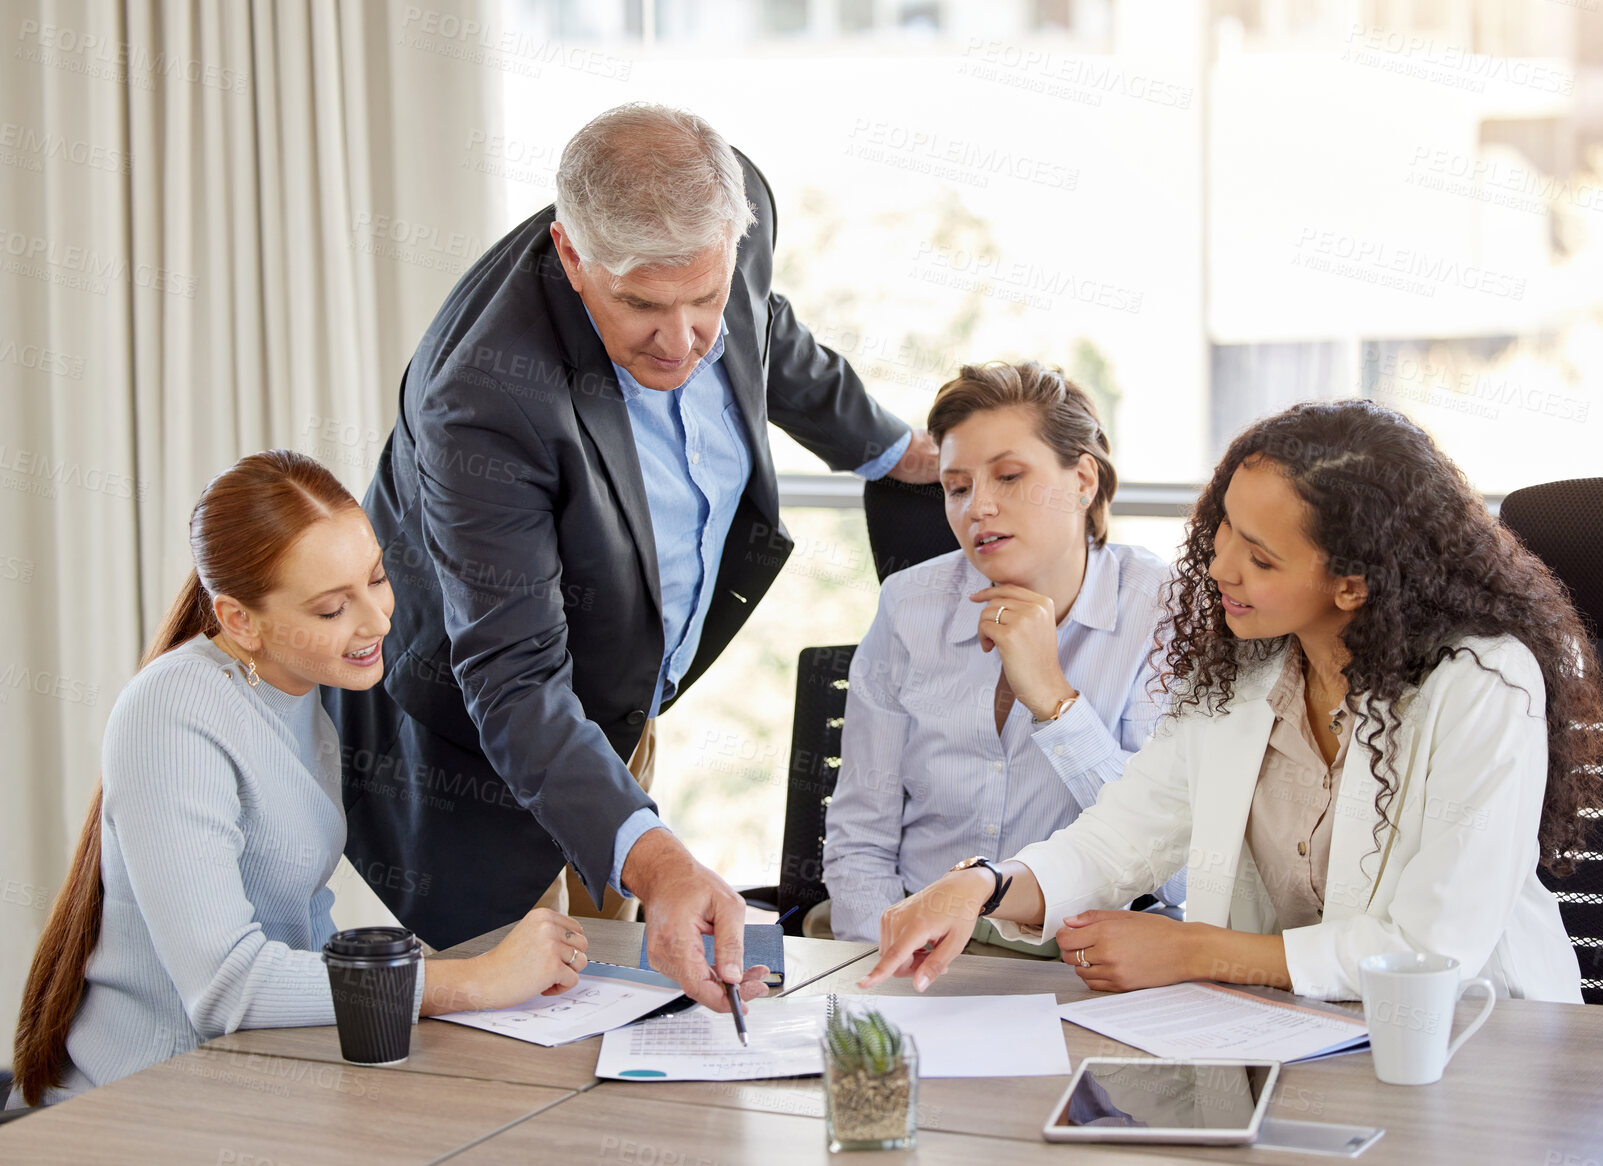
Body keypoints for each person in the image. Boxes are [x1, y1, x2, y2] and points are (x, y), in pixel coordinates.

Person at [324, 102, 937, 1013]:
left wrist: (897, 453)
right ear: (573, 258)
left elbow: (771, 337)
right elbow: (516, 682)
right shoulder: (484, 400)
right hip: (476, 761)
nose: (684, 340)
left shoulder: (737, 219)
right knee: (515, 1044)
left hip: (611, 709)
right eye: (642, 306)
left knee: (628, 1003)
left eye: (704, 297)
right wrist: (663, 861)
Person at [860, 400, 1603, 1002]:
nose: (1218, 565)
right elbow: (1117, 842)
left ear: (1353, 581)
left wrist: (1195, 952)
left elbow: (1429, 949)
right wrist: (983, 886)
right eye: (1221, 529)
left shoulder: (1481, 686)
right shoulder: (1243, 668)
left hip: (1480, 1040)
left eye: (1258, 555)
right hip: (1287, 1036)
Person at [8, 452, 604, 1108]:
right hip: (150, 1107)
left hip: (257, 1084)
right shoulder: (175, 708)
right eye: (330, 609)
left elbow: (301, 930)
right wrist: (472, 981)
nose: (377, 621)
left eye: (377, 579)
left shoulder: (302, 699)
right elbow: (226, 988)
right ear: (238, 619)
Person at [821, 362, 1181, 947]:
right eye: (957, 488)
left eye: (1009, 477)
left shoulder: (1159, 610)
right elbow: (860, 840)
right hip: (916, 946)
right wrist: (885, 968)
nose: (977, 508)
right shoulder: (909, 605)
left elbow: (1177, 869)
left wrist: (1055, 701)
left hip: (1086, 959)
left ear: (1083, 480)